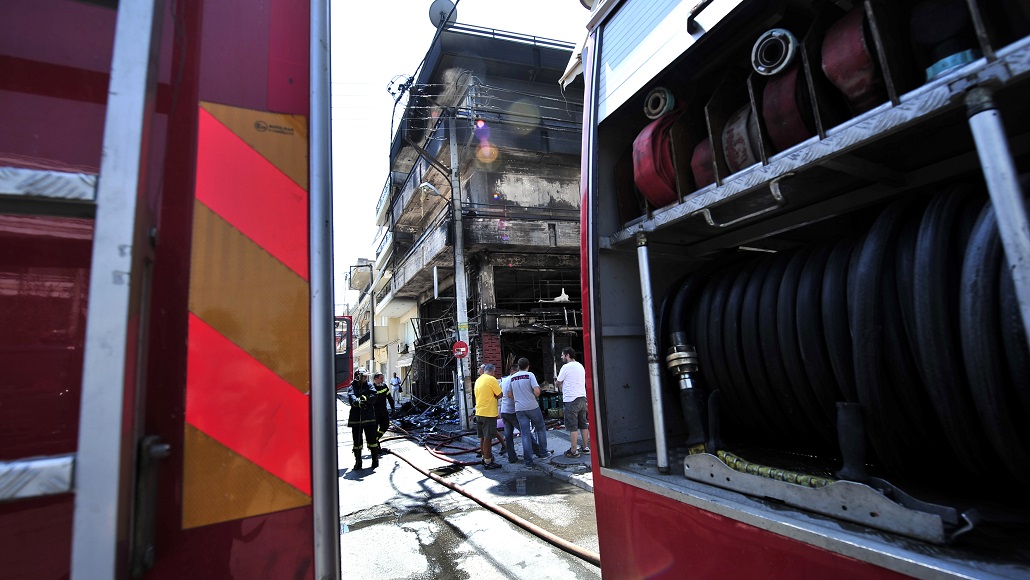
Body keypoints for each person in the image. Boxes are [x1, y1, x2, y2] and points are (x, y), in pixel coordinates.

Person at [509, 358, 549, 467]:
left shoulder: (512, 378)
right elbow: (536, 391)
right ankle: (543, 453)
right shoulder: (530, 375)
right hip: (532, 406)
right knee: (540, 428)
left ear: (518, 367)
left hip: (519, 409)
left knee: (525, 434)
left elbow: (509, 394)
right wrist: (535, 396)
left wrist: (518, 398)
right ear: (528, 366)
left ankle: (528, 462)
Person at [557, 346, 589, 457]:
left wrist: (556, 381)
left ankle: (573, 450)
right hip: (582, 398)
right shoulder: (580, 366)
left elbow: (558, 382)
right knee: (583, 424)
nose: (561, 357)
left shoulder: (566, 367)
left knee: (573, 426)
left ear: (567, 355)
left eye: (562, 355)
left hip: (571, 399)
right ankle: (585, 447)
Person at [346, 370, 380, 469]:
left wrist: (365, 399)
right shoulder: (352, 387)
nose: (365, 378)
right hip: (356, 418)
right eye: (363, 377)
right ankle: (358, 461)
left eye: (366, 376)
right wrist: (357, 402)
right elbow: (351, 397)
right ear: (357, 377)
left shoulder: (369, 386)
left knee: (372, 440)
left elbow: (374, 396)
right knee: (357, 442)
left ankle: (375, 460)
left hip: (369, 417)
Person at [473, 363, 503, 470]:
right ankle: (488, 461)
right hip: (488, 413)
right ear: (492, 371)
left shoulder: (478, 380)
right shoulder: (491, 379)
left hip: (479, 411)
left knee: (482, 437)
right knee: (488, 438)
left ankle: (483, 456)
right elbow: (500, 394)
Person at [371, 372, 395, 448]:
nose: (383, 380)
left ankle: (375, 439)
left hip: (383, 411)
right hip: (375, 412)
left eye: (383, 378)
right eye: (381, 378)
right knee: (374, 429)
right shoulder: (371, 388)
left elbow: (390, 398)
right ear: (375, 379)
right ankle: (375, 446)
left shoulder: (384, 387)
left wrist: (393, 408)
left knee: (385, 426)